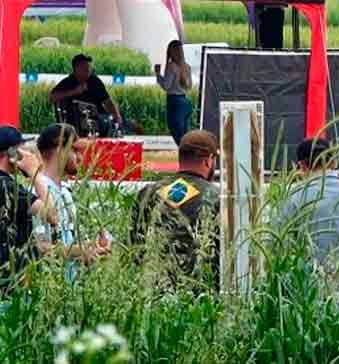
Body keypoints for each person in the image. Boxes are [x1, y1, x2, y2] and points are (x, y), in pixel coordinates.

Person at [275, 137, 339, 305]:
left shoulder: (293, 199)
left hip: (308, 300)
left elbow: (279, 250)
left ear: (302, 166)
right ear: (333, 163)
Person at [128, 130, 221, 287]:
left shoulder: (148, 193)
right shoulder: (217, 198)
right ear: (208, 161)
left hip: (153, 290)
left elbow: (133, 245)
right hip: (198, 295)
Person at [33, 124, 110, 283]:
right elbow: (38, 247)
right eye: (75, 150)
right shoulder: (38, 192)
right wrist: (80, 250)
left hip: (67, 288)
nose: (80, 158)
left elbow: (66, 239)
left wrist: (92, 249)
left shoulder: (65, 192)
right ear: (61, 149)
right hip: (48, 291)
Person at [0, 125, 56, 292]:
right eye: (24, 151)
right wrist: (34, 172)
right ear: (13, 155)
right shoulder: (7, 186)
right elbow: (51, 214)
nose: (30, 156)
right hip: (9, 282)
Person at [49, 54, 124, 135]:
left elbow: (107, 101)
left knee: (123, 123)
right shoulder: (68, 82)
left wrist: (117, 115)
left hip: (99, 117)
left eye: (89, 67)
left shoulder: (95, 81)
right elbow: (52, 97)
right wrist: (74, 91)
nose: (88, 70)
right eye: (84, 67)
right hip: (77, 120)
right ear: (76, 68)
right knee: (102, 123)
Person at [155, 40, 193, 146]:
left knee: (178, 137)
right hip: (185, 102)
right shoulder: (187, 67)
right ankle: (190, 159)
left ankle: (187, 159)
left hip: (174, 102)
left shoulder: (171, 66)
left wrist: (158, 75)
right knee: (185, 137)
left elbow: (166, 86)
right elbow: (189, 86)